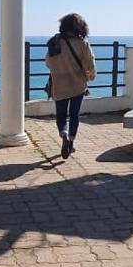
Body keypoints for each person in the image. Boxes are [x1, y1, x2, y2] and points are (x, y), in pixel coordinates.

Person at [44, 13, 96, 159]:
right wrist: (90, 76)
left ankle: (63, 134)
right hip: (77, 85)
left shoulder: (55, 42)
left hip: (59, 85)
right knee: (74, 114)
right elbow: (90, 66)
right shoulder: (82, 43)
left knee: (61, 115)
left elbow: (48, 63)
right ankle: (71, 141)